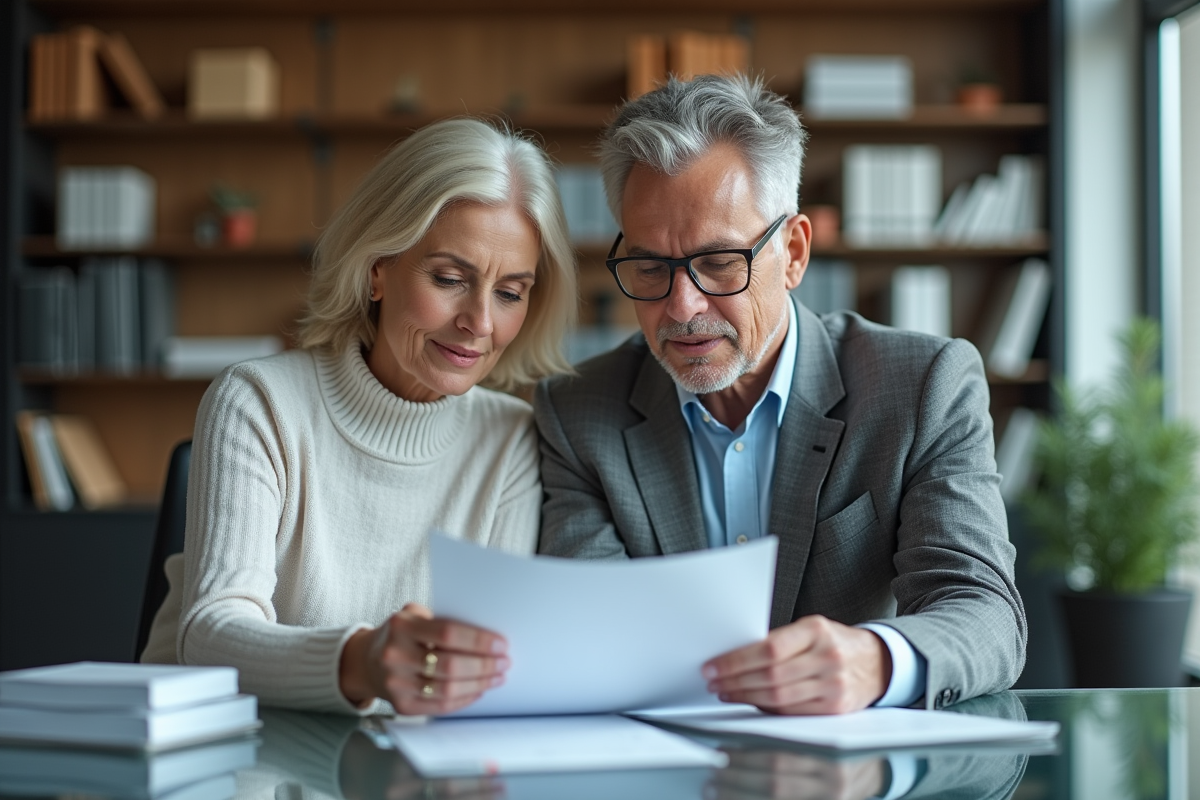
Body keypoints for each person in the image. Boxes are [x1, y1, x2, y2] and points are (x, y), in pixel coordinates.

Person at [535, 75, 1026, 715]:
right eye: (652, 266)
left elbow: (983, 611)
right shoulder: (578, 412)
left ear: (793, 253)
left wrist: (873, 661)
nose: (681, 307)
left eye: (717, 262)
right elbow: (592, 629)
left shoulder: (922, 384)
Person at [141, 118, 577, 716]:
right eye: (450, 279)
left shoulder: (509, 441)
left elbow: (485, 670)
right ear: (377, 269)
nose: (480, 322)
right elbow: (210, 634)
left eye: (510, 292)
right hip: (224, 755)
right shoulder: (258, 401)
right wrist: (365, 662)